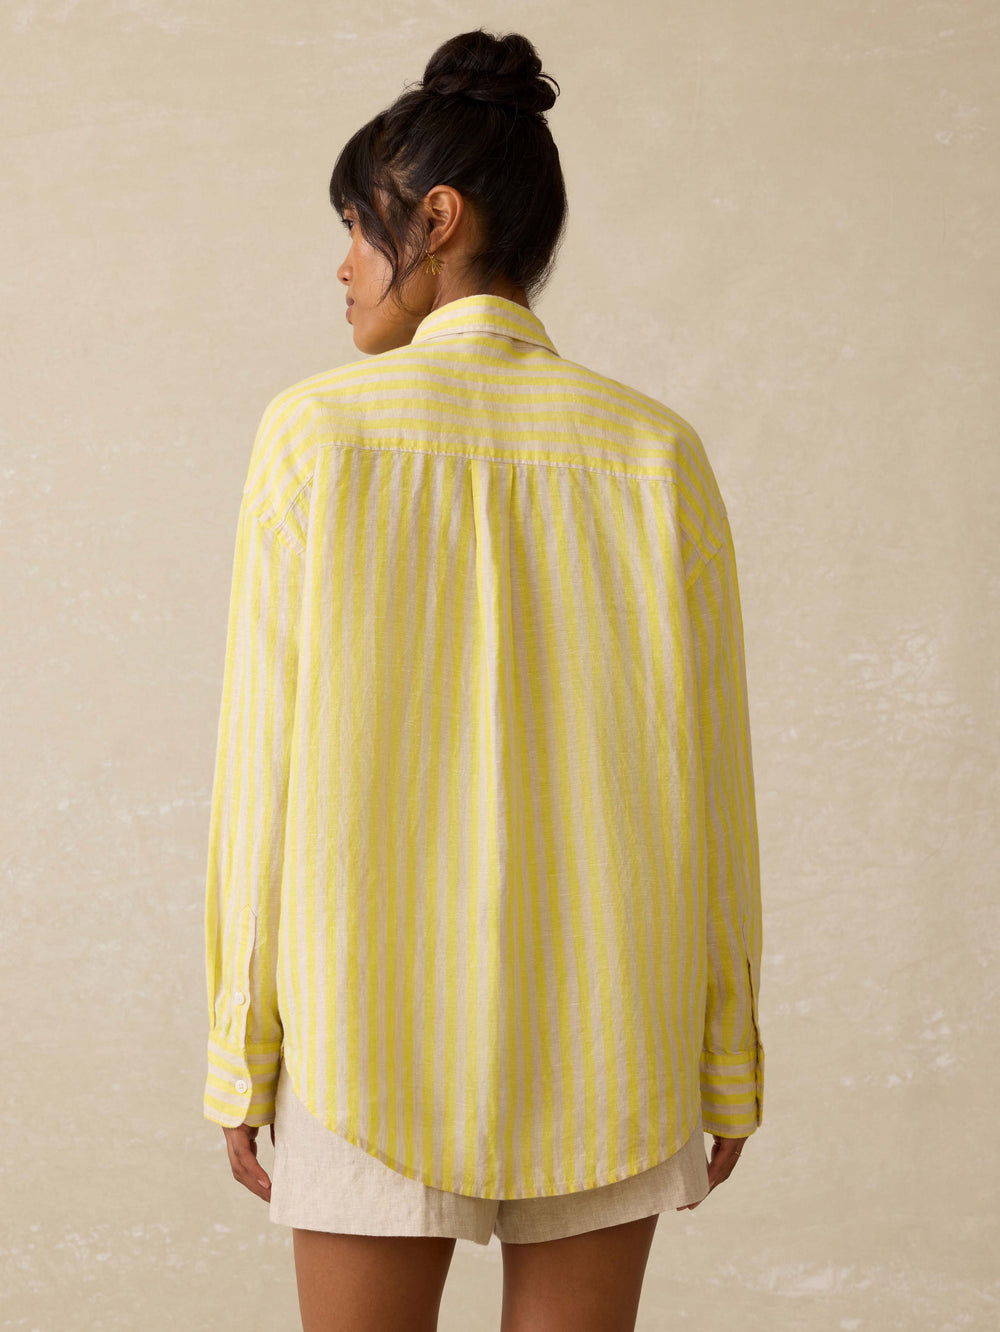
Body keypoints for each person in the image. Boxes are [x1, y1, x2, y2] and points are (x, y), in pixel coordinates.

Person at [202, 27, 764, 1332]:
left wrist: (242, 1045)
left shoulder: (315, 438)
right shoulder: (655, 454)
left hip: (363, 1031)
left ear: (437, 217)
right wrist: (727, 1053)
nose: (343, 264)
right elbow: (716, 789)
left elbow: (261, 769)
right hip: (613, 1038)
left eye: (357, 225)